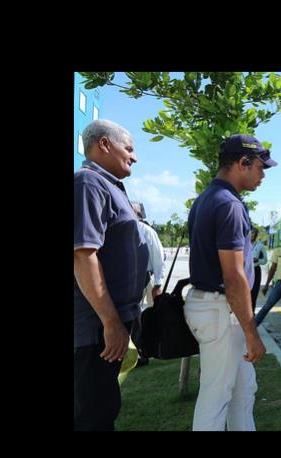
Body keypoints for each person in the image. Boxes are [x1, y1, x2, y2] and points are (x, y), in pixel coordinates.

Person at [185, 134, 276, 431]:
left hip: (218, 308)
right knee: (216, 399)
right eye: (261, 167)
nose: (263, 175)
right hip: (222, 310)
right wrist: (252, 333)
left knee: (243, 390)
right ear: (243, 163)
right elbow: (234, 276)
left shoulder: (207, 198)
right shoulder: (229, 204)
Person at [74, 119, 146, 431]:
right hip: (94, 331)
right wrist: (111, 322)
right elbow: (83, 255)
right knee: (94, 415)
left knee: (102, 408)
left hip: (106, 327)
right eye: (128, 148)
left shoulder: (108, 185)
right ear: (105, 144)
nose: (134, 156)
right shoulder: (88, 183)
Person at [131, 201, 164, 367]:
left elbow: (158, 258)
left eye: (133, 212)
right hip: (129, 278)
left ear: (139, 215)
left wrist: (158, 283)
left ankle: (148, 350)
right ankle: (138, 351)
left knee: (149, 314)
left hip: (146, 276)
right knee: (134, 315)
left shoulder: (147, 231)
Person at [249, 227, 268, 314]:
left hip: (256, 271)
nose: (253, 235)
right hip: (246, 271)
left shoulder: (260, 246)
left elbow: (265, 260)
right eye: (252, 233)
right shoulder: (243, 245)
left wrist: (258, 261)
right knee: (245, 293)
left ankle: (251, 315)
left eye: (255, 233)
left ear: (257, 235)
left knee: (254, 293)